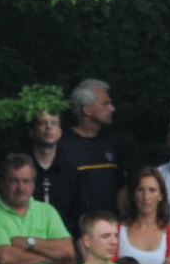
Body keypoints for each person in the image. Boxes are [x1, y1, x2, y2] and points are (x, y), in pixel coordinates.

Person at [49, 79, 124, 234]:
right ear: (88, 110)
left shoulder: (111, 142)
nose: (112, 108)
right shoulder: (63, 145)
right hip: (76, 233)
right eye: (105, 104)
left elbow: (121, 186)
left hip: (111, 232)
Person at [27, 110, 63, 206]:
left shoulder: (70, 170)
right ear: (32, 132)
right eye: (42, 123)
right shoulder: (22, 171)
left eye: (54, 123)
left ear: (60, 132)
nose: (48, 127)